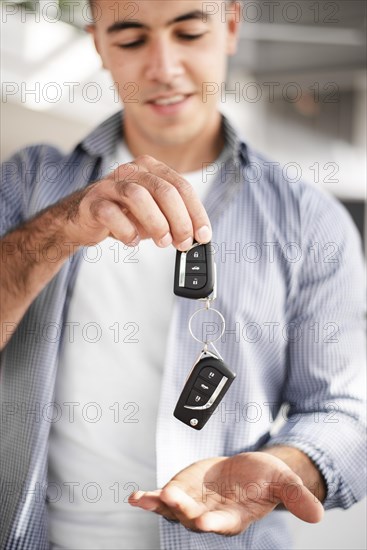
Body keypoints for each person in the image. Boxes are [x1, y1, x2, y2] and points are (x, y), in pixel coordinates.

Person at [0, 1, 365, 549]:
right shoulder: (30, 183)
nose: (164, 67)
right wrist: (64, 226)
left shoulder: (309, 218)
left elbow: (344, 413)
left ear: (232, 28)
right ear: (97, 42)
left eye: (189, 32)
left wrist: (284, 466)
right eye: (130, 40)